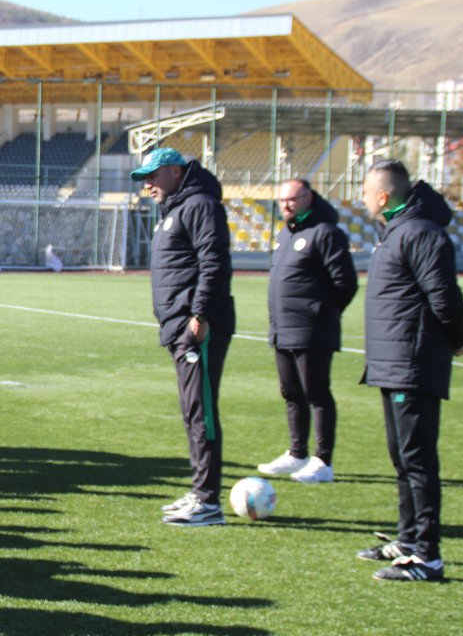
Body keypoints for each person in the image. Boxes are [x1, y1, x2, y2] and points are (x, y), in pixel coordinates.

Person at [357, 160, 463, 582]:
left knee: (418, 460)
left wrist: (458, 338)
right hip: (393, 362)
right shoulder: (397, 231)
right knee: (402, 457)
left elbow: (443, 295)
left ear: (383, 196)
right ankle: (407, 541)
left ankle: (427, 556)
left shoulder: (421, 232)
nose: (363, 199)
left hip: (413, 361)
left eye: (367, 192)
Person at [133, 147, 235, 528]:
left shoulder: (200, 206)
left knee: (201, 411)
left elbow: (214, 262)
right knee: (192, 410)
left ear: (175, 172)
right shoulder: (174, 210)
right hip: (179, 327)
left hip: (197, 327)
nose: (147, 184)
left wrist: (201, 314)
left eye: (153, 175)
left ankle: (208, 502)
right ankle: (200, 491)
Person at [257, 179, 357, 484]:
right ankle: (296, 453)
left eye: (292, 199)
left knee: (317, 394)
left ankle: (323, 460)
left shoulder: (326, 233)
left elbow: (345, 283)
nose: (286, 205)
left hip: (312, 331)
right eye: (282, 200)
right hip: (283, 329)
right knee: (291, 393)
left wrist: (320, 314)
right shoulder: (285, 234)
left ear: (309, 198)